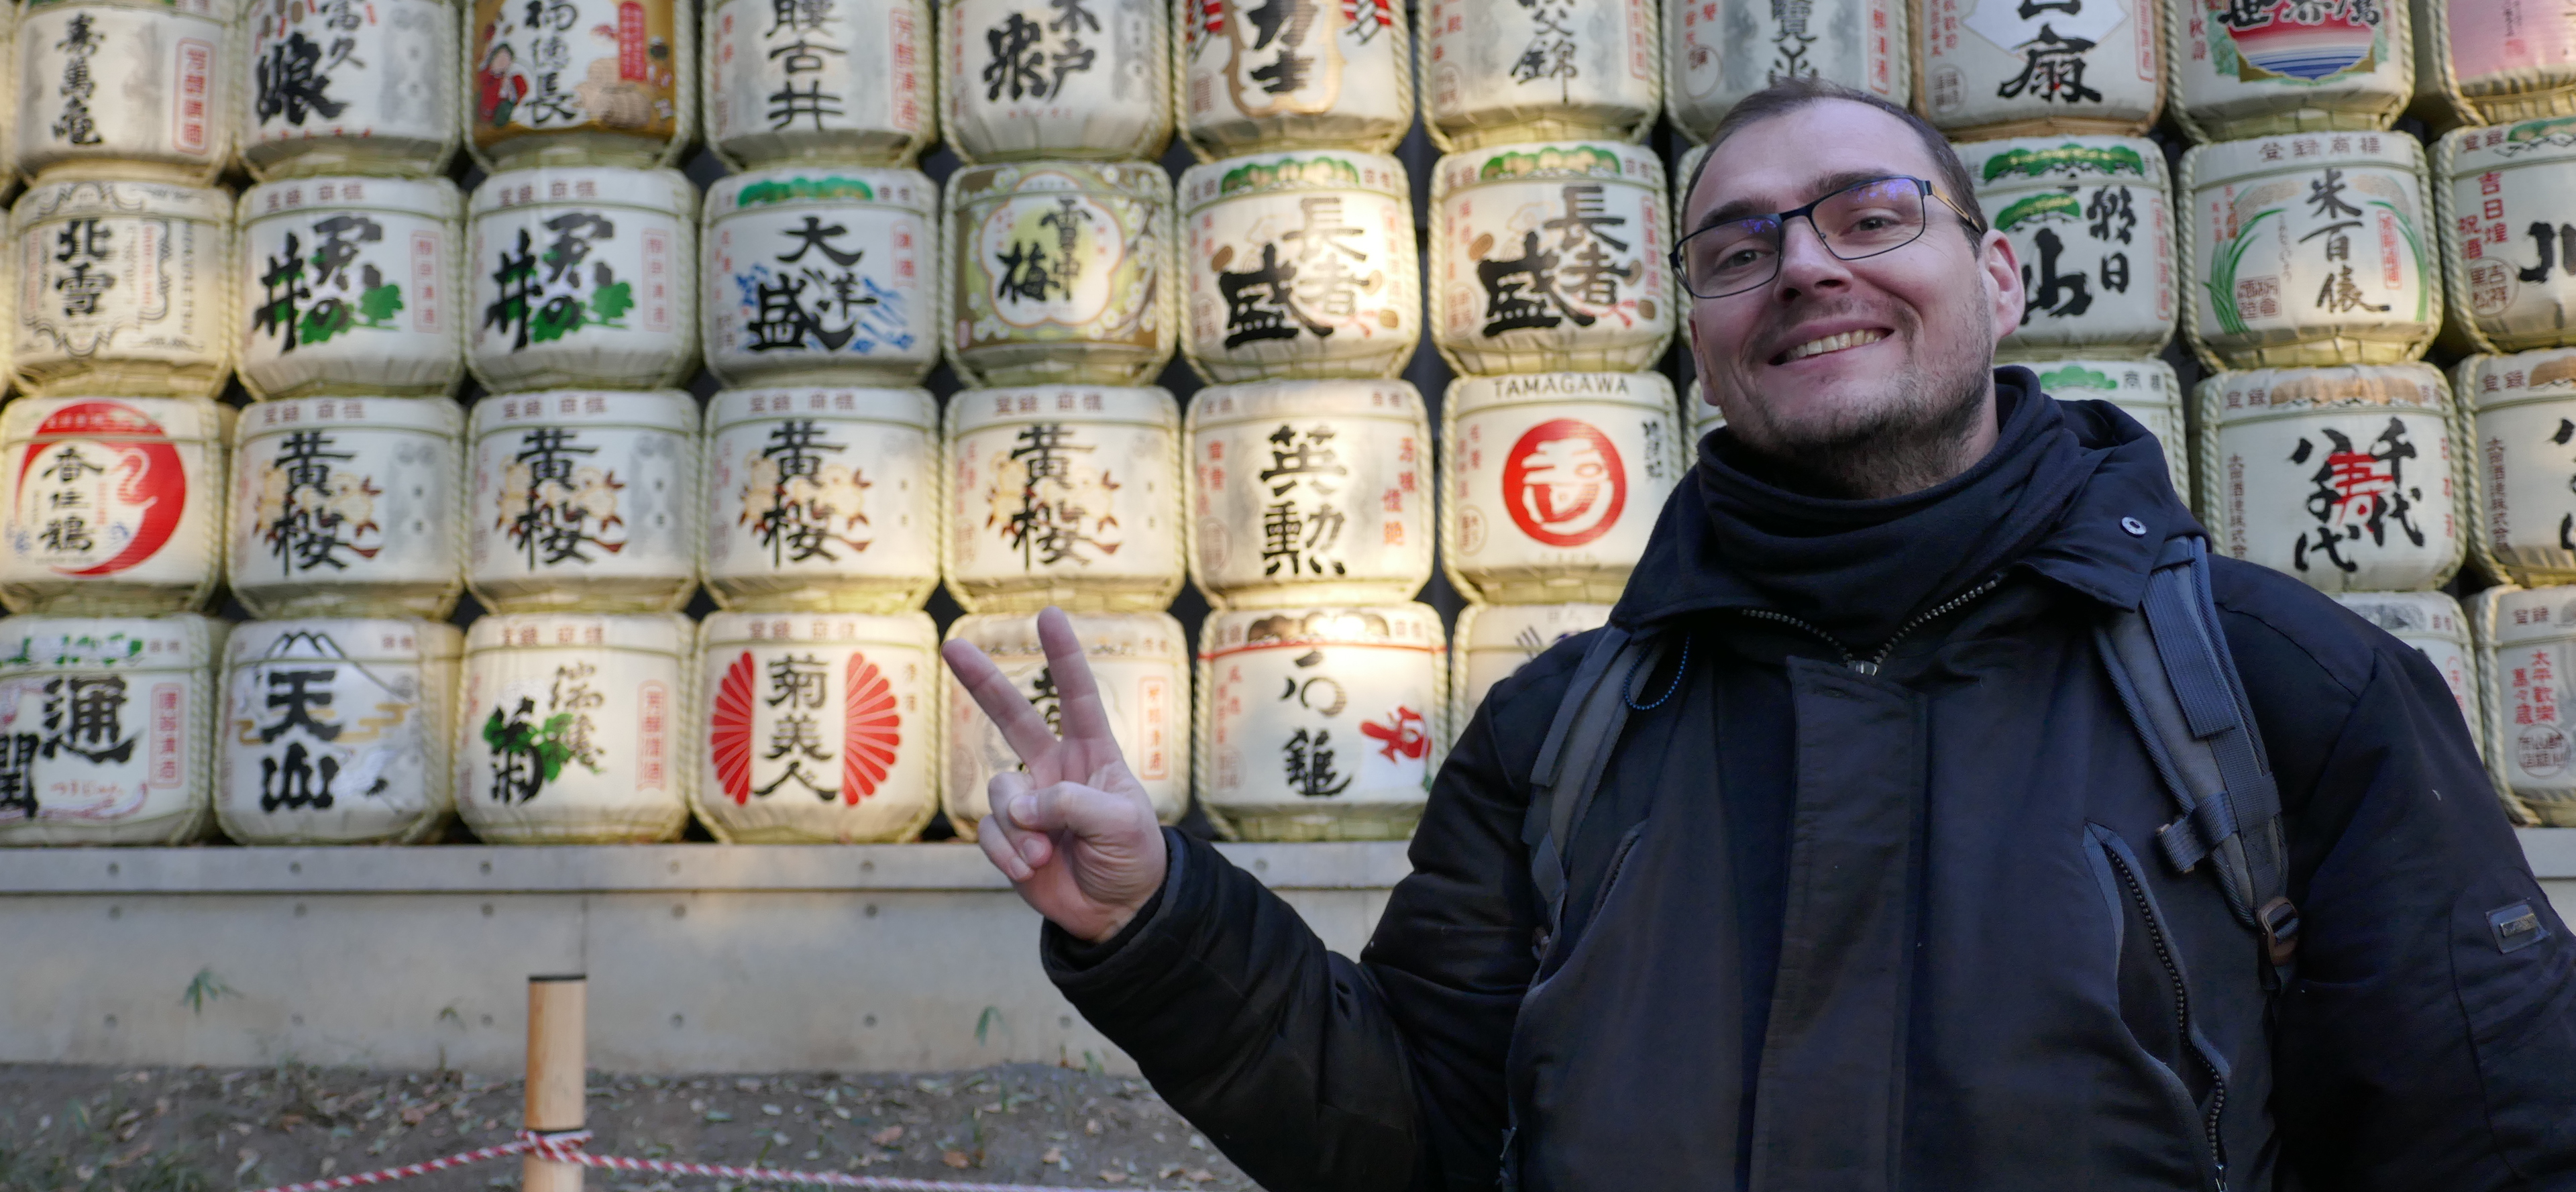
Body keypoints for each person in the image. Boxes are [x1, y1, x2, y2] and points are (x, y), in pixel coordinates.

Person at [941, 79, 2576, 1191]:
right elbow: (1423, 1140)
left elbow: (2493, 1143)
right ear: (1705, 340)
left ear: (2000, 276)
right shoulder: (1568, 734)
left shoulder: (2281, 689)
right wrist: (1160, 924)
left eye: (1872, 216)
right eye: (1740, 249)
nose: (1804, 268)